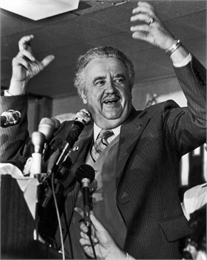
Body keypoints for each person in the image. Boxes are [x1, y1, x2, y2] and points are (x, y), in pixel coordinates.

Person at [0, 1, 206, 259]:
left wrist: (173, 48)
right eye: (99, 82)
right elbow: (9, 166)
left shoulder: (160, 122)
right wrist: (17, 85)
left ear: (129, 88)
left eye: (119, 79)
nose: (110, 88)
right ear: (84, 95)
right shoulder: (68, 135)